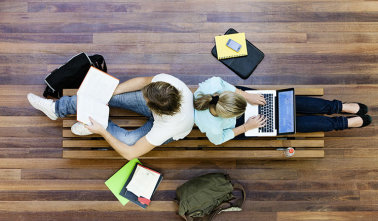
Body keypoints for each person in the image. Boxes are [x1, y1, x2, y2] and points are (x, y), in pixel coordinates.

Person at [27, 74, 194, 160]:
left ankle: (98, 125)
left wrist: (103, 132)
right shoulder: (167, 84)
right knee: (105, 96)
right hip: (165, 111)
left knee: (128, 141)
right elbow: (144, 80)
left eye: (146, 98)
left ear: (151, 106)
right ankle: (56, 109)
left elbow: (131, 153)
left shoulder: (167, 128)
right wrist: (114, 92)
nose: (142, 96)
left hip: (170, 128)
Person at [194, 77, 372, 145]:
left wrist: (247, 96)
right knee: (287, 124)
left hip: (243, 98)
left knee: (287, 104)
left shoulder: (212, 86)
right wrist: (247, 127)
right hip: (242, 125)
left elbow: (226, 86)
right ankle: (340, 123)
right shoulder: (211, 127)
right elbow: (219, 140)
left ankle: (338, 107)